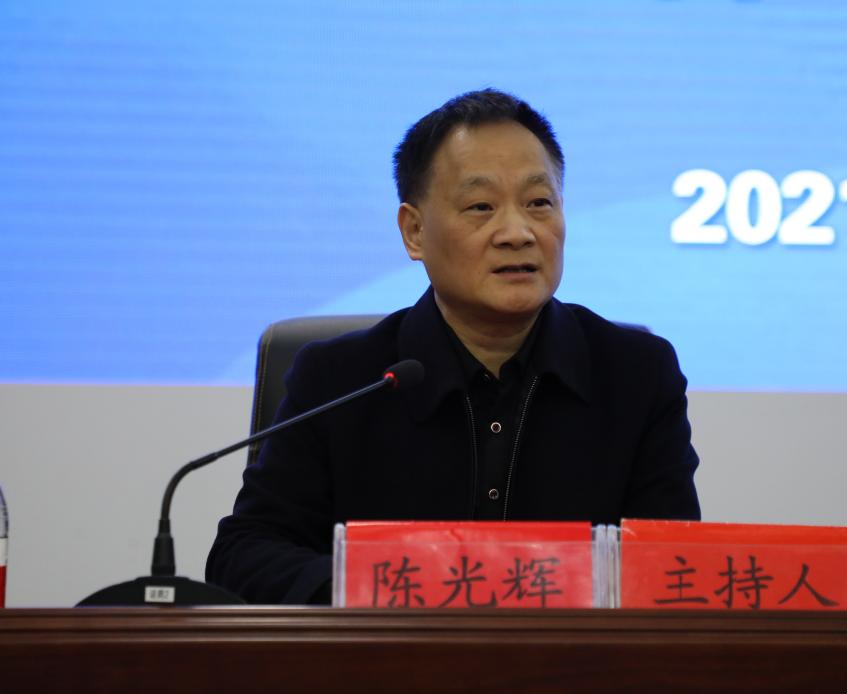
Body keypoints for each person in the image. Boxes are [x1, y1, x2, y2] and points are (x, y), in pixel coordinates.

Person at [207, 89, 700, 604]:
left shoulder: (636, 374)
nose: (518, 232)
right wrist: (377, 593)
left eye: (539, 203)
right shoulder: (340, 378)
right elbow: (245, 553)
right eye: (480, 207)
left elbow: (675, 567)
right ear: (414, 231)